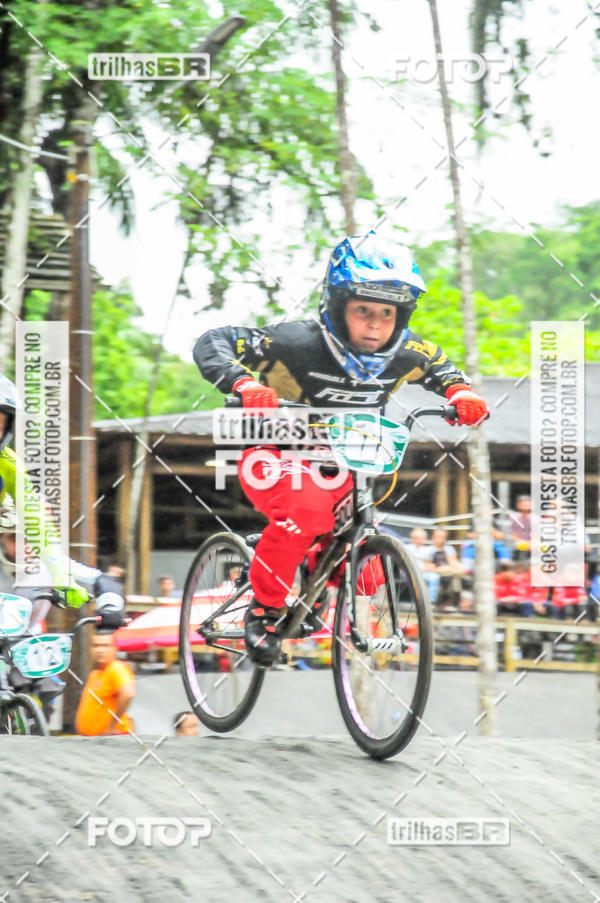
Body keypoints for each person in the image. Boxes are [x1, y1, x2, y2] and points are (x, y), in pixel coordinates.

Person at [194, 232, 489, 664]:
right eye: (363, 310)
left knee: (372, 572)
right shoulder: (295, 342)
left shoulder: (408, 351)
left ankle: (309, 571)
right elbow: (212, 341)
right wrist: (244, 383)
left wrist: (461, 392)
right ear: (337, 307)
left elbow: (441, 367)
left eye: (387, 313)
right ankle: (263, 610)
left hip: (348, 462)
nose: (375, 324)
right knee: (307, 513)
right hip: (274, 457)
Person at [0, 373, 125, 630]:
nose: (23, 545)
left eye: (0, 426)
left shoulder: (9, 464)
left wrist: (62, 575)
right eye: (13, 537)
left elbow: (38, 524)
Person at [75, 633, 135, 736]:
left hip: (113, 738)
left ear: (115, 648)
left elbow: (128, 693)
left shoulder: (116, 668)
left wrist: (112, 725)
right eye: (96, 646)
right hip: (95, 739)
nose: (100, 650)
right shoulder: (95, 674)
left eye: (105, 646)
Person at [423, 528, 469, 608]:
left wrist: (460, 567)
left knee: (456, 579)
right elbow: (428, 566)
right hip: (435, 572)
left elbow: (453, 561)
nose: (441, 539)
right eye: (439, 537)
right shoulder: (428, 550)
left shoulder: (449, 549)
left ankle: (453, 603)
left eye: (443, 537)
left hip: (448, 571)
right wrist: (439, 569)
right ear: (433, 537)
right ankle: (435, 603)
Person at [405, 527, 440, 604]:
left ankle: (430, 602)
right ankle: (416, 602)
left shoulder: (429, 549)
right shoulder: (407, 548)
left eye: (422, 538)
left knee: (434, 577)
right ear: (413, 538)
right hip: (411, 571)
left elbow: (431, 564)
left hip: (425, 572)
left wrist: (428, 567)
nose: (419, 540)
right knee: (416, 579)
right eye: (417, 538)